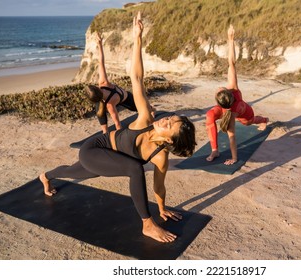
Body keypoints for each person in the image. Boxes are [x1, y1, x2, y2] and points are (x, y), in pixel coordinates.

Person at [39, 12, 196, 243]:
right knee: (134, 168)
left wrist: (162, 208)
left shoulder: (161, 157)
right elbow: (137, 78)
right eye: (171, 117)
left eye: (170, 124)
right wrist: (138, 38)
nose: (166, 119)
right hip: (95, 148)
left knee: (72, 173)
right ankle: (147, 224)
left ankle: (45, 176)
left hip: (108, 158)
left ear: (170, 141)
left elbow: (159, 186)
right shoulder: (144, 120)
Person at [205, 25, 268, 165]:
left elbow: (232, 138)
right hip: (232, 109)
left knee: (249, 122)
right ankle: (215, 150)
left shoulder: (231, 113)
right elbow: (231, 63)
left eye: (218, 90)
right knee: (210, 116)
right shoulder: (232, 89)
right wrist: (230, 39)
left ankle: (264, 119)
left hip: (245, 113)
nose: (219, 87)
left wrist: (234, 158)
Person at [84, 32, 137, 134]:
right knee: (99, 108)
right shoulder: (103, 83)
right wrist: (100, 44)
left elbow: (117, 123)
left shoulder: (109, 105)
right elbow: (101, 62)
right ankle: (105, 131)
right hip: (114, 98)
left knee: (141, 108)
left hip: (126, 100)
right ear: (97, 88)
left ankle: (105, 131)